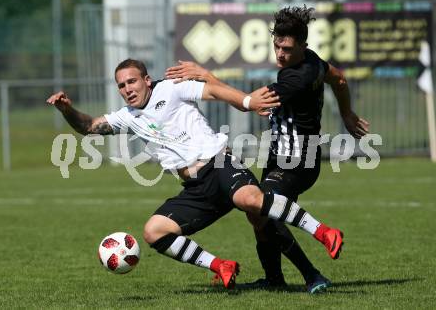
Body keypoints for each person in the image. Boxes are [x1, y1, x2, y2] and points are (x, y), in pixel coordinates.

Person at [47, 58, 345, 290]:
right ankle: (220, 266)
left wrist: (246, 102)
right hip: (196, 188)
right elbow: (89, 126)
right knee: (154, 231)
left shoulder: (171, 88)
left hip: (219, 163)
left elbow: (213, 90)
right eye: (121, 85)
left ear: (147, 80)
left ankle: (323, 233)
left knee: (252, 203)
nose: (127, 89)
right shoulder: (127, 116)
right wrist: (66, 110)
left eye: (132, 81)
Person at [165, 5, 369, 293]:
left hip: (297, 160)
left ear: (303, 46)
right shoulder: (313, 61)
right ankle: (274, 279)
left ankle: (313, 276)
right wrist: (347, 113)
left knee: (263, 211)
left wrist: (205, 76)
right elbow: (339, 78)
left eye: (286, 49)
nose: (280, 54)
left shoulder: (294, 78)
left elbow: (252, 102)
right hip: (283, 156)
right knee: (259, 215)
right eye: (277, 46)